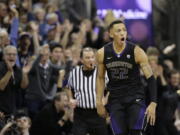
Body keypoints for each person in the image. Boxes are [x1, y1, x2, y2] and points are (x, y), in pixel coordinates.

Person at [96, 20, 157, 135]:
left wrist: (153, 102)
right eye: (118, 31)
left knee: (135, 131)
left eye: (124, 30)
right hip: (115, 99)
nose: (122, 33)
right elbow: (100, 78)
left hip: (135, 98)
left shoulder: (137, 51)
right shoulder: (102, 53)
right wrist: (99, 101)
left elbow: (150, 78)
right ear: (110, 34)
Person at [67, 47, 108, 135]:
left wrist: (106, 99)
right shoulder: (75, 72)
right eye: (87, 58)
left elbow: (112, 88)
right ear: (81, 60)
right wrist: (70, 98)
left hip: (98, 114)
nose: (91, 60)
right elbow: (68, 87)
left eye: (92, 57)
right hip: (80, 113)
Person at [0, 45, 29, 119]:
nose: (11, 56)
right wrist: (9, 71)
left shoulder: (18, 69)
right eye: (9, 54)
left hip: (12, 108)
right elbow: (1, 87)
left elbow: (23, 86)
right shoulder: (0, 67)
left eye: (14, 54)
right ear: (4, 56)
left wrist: (24, 73)